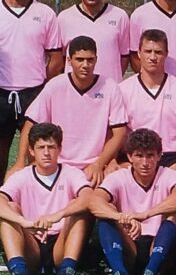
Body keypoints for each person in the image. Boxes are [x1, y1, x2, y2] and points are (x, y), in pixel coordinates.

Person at [0, 0, 63, 253]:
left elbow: (56, 57)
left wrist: (40, 90)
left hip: (34, 95)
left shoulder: (46, 14)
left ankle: (38, 230)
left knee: (37, 164)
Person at [0, 123, 93, 275]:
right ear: (31, 150)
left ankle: (66, 274)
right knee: (10, 209)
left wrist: (58, 215)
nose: (46, 153)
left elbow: (89, 197)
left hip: (61, 242)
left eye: (51, 147)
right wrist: (24, 222)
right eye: (41, 147)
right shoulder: (22, 176)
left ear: (59, 149)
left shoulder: (71, 173)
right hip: (33, 244)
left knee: (78, 209)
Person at [8, 36, 128, 187]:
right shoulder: (55, 86)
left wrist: (100, 163)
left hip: (93, 165)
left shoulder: (110, 87)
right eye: (79, 60)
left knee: (114, 184)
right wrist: (20, 163)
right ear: (69, 61)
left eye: (90, 60)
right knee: (11, 182)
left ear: (96, 60)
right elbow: (30, 124)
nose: (85, 65)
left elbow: (119, 133)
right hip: (57, 164)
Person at [90, 128, 176, 275]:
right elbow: (94, 201)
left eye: (150, 156)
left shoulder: (169, 175)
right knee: (106, 216)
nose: (145, 162)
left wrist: (145, 214)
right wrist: (121, 217)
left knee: (174, 214)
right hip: (130, 245)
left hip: (160, 245)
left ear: (159, 156)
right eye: (139, 156)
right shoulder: (119, 177)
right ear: (129, 157)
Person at [120, 29, 176, 186]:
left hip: (173, 158)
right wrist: (112, 160)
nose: (153, 57)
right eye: (148, 51)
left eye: (158, 52)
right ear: (139, 53)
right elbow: (115, 132)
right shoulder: (122, 90)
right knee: (117, 180)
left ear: (166, 54)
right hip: (137, 157)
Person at [58, 0, 130, 83]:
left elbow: (124, 57)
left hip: (109, 90)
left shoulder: (120, 16)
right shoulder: (64, 18)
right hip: (76, 91)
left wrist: (109, 82)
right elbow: (60, 59)